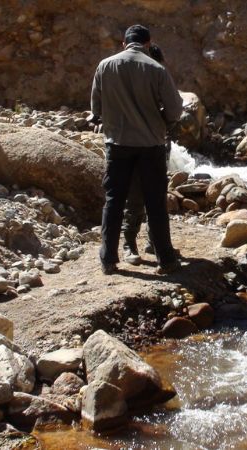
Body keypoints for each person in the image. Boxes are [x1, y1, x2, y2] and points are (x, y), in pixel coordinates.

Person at [90, 25, 183, 275]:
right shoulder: (156, 68)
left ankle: (109, 260)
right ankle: (166, 259)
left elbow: (95, 109)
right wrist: (161, 119)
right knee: (155, 203)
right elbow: (175, 110)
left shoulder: (104, 66)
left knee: (114, 202)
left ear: (124, 43)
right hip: (150, 146)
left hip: (117, 144)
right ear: (148, 43)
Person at [122, 44, 168, 265]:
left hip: (156, 145)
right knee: (136, 197)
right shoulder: (136, 82)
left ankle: (152, 241)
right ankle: (129, 243)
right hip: (135, 145)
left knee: (155, 197)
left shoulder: (155, 77)